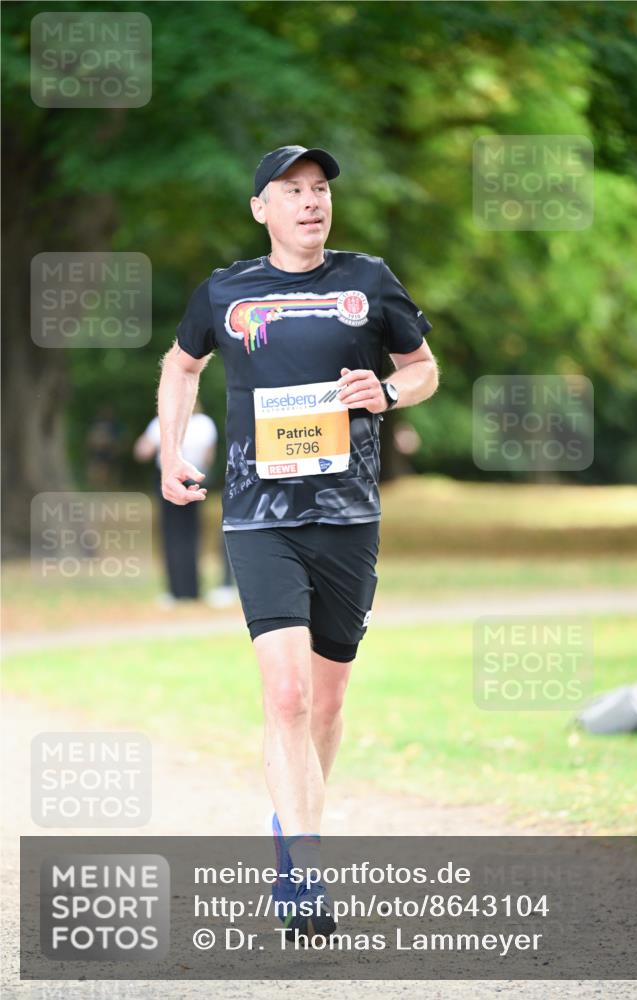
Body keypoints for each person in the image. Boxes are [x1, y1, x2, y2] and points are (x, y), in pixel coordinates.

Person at [157, 145, 439, 937]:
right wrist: (175, 450)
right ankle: (304, 876)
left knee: (327, 698)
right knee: (284, 695)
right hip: (258, 516)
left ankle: (290, 830)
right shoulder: (225, 292)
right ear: (262, 208)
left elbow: (423, 367)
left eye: (319, 191)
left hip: (347, 516)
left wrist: (384, 390)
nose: (310, 203)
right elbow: (180, 367)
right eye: (292, 191)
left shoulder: (367, 281)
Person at [134, 402, 227, 605]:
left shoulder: (162, 423)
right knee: (191, 532)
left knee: (171, 533)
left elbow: (142, 451)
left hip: (168, 478)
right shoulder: (205, 424)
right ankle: (192, 589)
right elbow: (209, 458)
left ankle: (175, 590)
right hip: (195, 479)